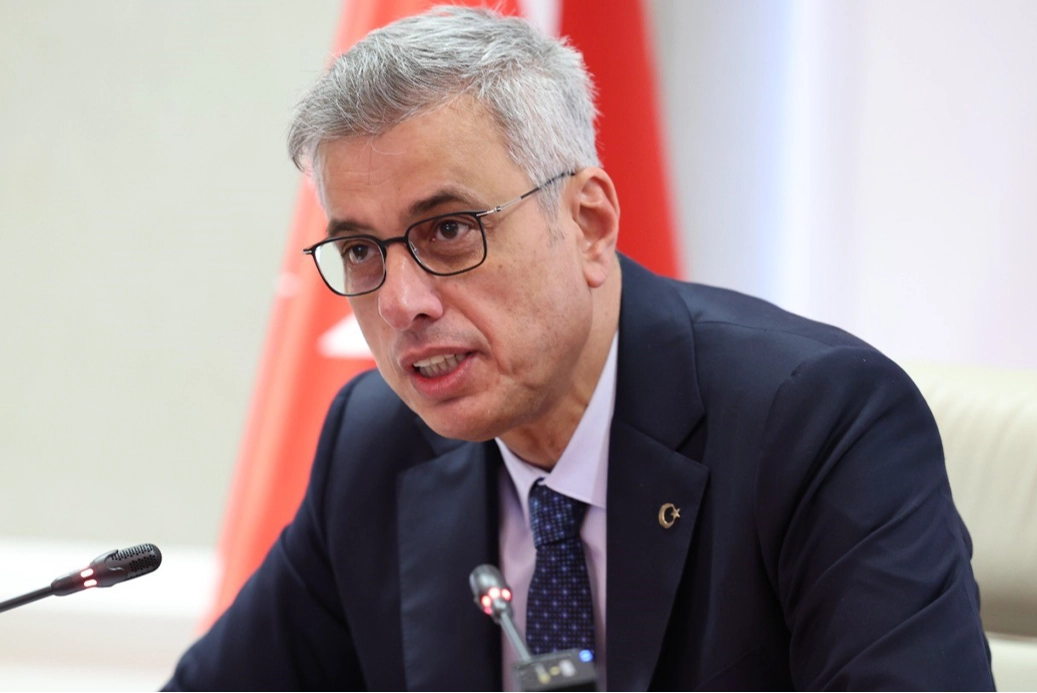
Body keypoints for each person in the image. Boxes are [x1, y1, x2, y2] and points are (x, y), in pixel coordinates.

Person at [164, 6, 994, 692]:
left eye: (448, 230)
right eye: (359, 250)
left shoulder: (817, 422)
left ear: (589, 223)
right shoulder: (375, 442)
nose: (399, 302)